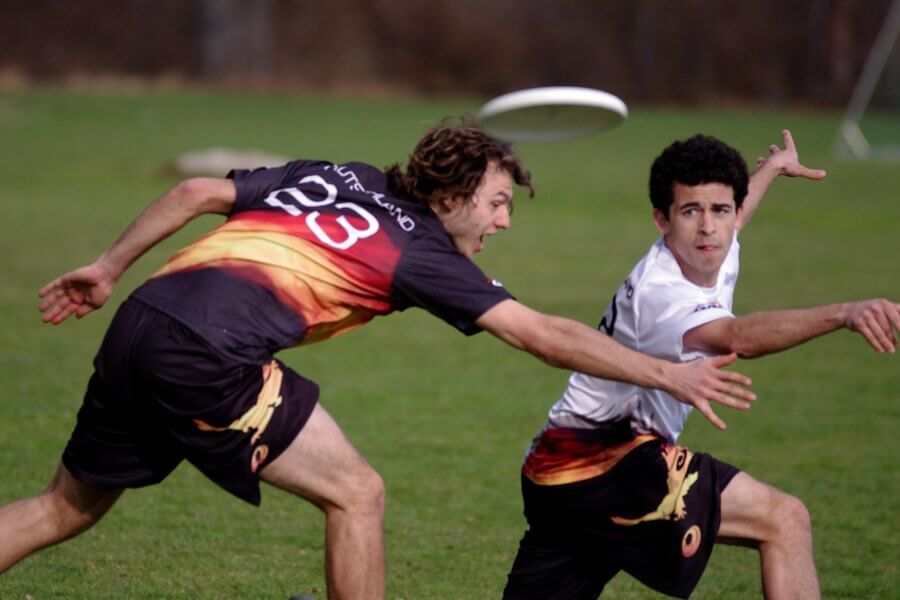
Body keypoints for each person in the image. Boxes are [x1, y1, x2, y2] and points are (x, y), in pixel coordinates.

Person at [0, 123, 755, 599]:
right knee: (358, 494)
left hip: (140, 320)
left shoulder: (346, 175)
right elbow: (537, 333)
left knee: (63, 509)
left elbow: (199, 190)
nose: (502, 220)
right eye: (495, 201)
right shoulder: (422, 253)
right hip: (209, 354)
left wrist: (105, 267)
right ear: (454, 194)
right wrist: (663, 371)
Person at [503, 131, 900, 599]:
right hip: (606, 461)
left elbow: (735, 212)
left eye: (721, 211)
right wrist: (844, 313)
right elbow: (736, 338)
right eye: (690, 212)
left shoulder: (713, 244)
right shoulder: (661, 291)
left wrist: (770, 170)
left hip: (553, 470)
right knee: (783, 519)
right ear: (662, 220)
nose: (709, 228)